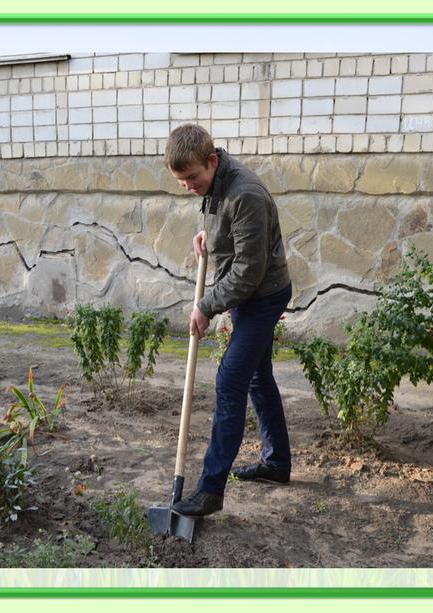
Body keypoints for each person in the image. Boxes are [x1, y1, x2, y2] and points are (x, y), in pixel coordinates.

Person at [163, 123, 293, 517]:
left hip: (263, 296)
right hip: (247, 295)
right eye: (181, 181)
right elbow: (228, 231)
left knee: (231, 378)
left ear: (212, 161)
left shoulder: (246, 194)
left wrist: (205, 305)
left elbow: (248, 273)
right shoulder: (215, 183)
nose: (188, 186)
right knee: (257, 377)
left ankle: (210, 489)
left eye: (192, 178)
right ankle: (277, 464)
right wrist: (208, 238)